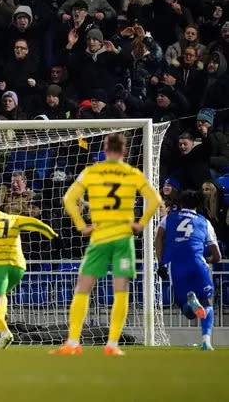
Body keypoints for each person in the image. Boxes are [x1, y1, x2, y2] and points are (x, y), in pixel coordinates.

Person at [52, 133, 162, 356]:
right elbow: (156, 201)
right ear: (124, 151)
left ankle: (73, 342)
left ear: (104, 149)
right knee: (120, 289)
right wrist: (140, 224)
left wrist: (82, 225)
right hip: (123, 237)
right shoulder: (132, 173)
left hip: (100, 235)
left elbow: (68, 199)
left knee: (83, 287)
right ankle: (112, 344)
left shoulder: (92, 171)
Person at [0, 192, 57, 349]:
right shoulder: (11, 217)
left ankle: (5, 332)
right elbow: (34, 223)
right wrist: (52, 235)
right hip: (19, 266)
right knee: (2, 294)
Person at [155, 190, 222, 351]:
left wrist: (161, 262)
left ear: (181, 203)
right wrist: (208, 261)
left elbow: (158, 238)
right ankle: (206, 341)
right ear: (198, 205)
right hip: (198, 263)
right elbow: (217, 255)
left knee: (188, 312)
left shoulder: (168, 218)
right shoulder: (204, 222)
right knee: (207, 302)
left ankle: (191, 305)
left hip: (176, 264)